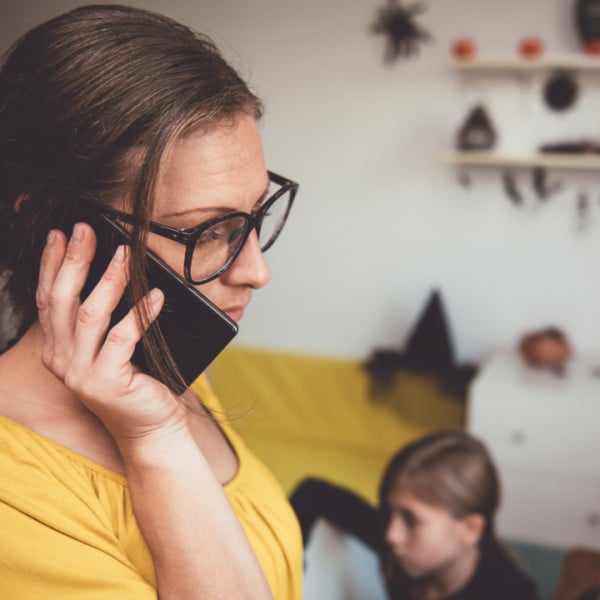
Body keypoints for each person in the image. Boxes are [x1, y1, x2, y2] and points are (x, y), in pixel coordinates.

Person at [0, 5, 302, 598]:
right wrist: (156, 441)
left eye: (254, 217)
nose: (257, 271)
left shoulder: (164, 363)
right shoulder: (13, 497)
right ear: (45, 225)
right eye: (207, 232)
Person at [291, 430, 540, 600]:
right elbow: (313, 492)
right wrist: (289, 564)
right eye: (388, 511)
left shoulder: (513, 593)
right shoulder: (400, 543)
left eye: (411, 520)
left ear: (470, 529)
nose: (391, 534)